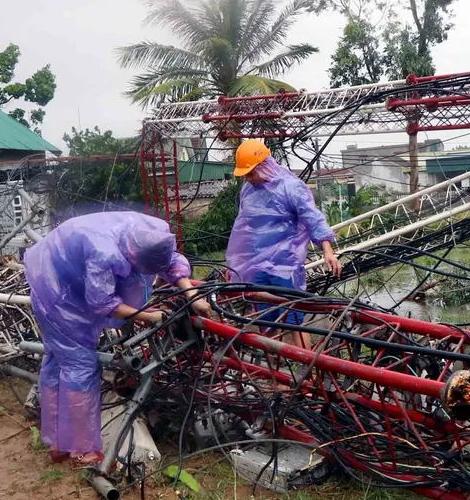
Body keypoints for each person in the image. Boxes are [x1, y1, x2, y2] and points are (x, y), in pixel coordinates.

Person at [24, 211, 210, 466]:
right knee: (79, 363)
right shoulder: (104, 253)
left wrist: (192, 295)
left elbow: (168, 261)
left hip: (68, 265)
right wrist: (150, 316)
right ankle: (80, 449)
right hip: (56, 290)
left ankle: (57, 440)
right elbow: (103, 303)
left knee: (57, 359)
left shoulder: (152, 234)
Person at [224, 139, 342, 347]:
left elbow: (312, 218)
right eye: (246, 175)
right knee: (264, 323)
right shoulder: (248, 192)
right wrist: (235, 267)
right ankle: (277, 376)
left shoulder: (291, 187)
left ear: (265, 166)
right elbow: (243, 230)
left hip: (285, 266)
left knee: (293, 321)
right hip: (256, 266)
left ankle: (306, 372)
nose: (249, 179)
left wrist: (328, 250)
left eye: (251, 173)